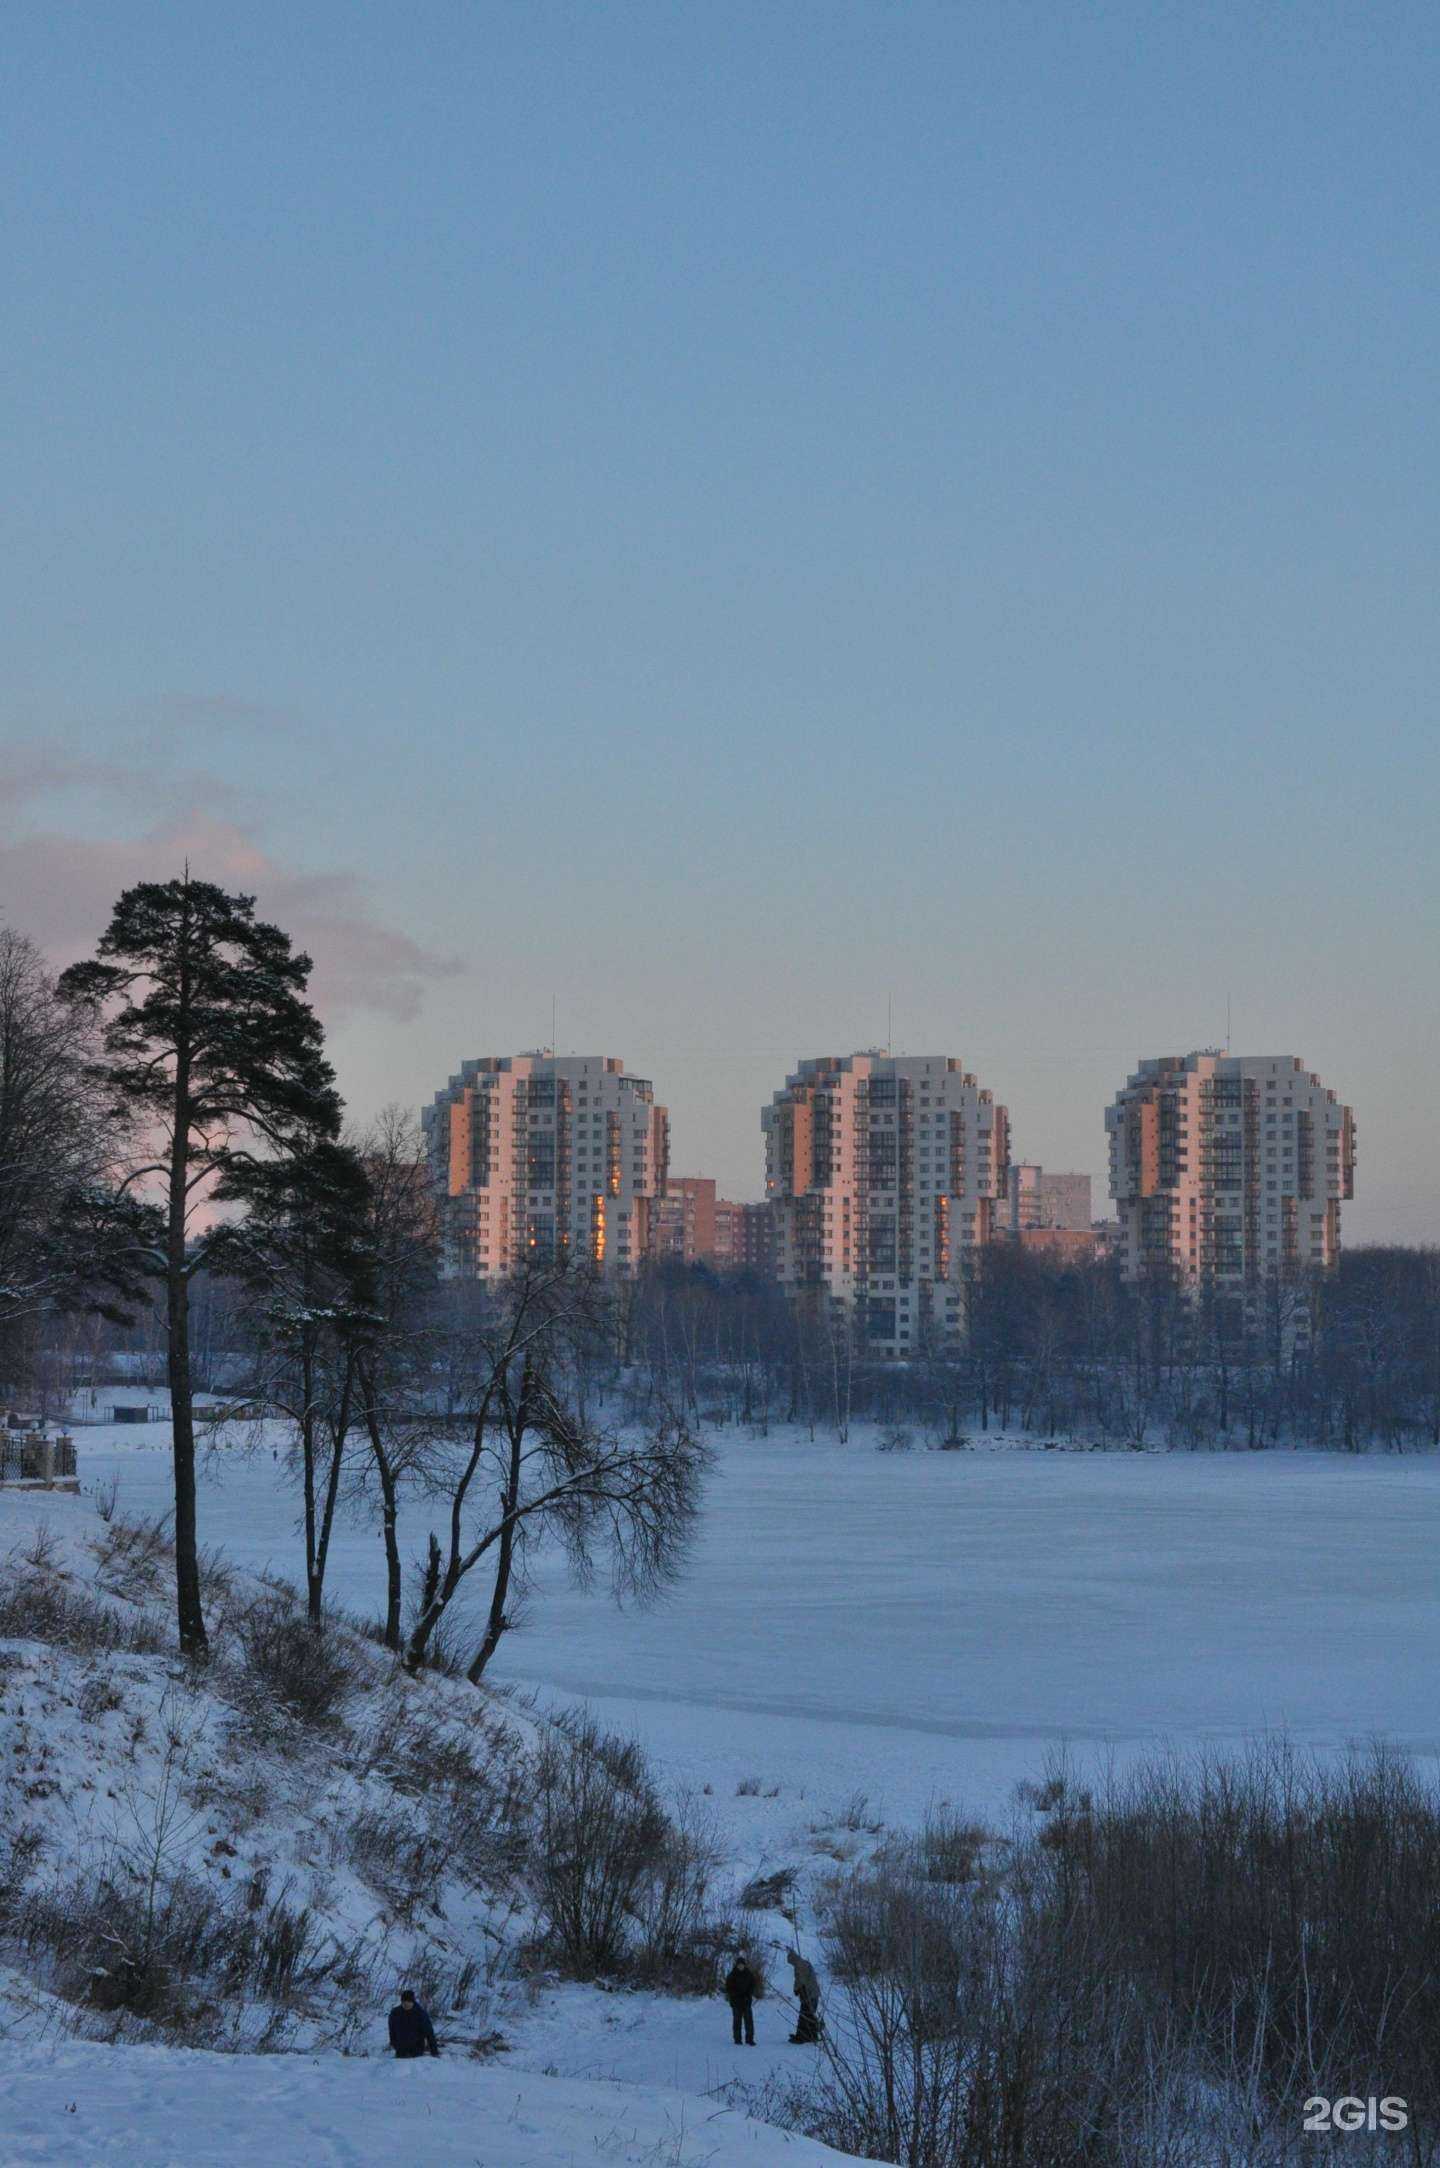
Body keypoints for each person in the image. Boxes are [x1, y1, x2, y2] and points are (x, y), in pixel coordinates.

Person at [388, 1987, 439, 2058]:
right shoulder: (395, 2013)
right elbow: (392, 2031)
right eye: (404, 2002)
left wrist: (434, 2052)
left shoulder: (421, 2014)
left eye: (408, 2002)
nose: (406, 2004)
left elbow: (429, 2033)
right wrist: (394, 2044)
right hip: (400, 2049)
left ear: (413, 2002)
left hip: (417, 2050)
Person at [724, 1952, 759, 2045]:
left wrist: (748, 1995)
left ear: (744, 1965)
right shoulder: (732, 1975)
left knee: (749, 2021)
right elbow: (728, 1988)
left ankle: (749, 2039)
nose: (741, 1967)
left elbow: (752, 1985)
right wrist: (736, 1995)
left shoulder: (749, 1974)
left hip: (746, 2001)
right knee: (737, 2021)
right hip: (736, 2002)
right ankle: (737, 2039)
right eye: (739, 1965)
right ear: (736, 1965)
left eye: (742, 1965)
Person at [787, 1950, 821, 2044]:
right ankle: (812, 2035)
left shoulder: (800, 1965)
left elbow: (801, 1980)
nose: (791, 1964)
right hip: (813, 1994)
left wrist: (797, 1989)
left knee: (804, 2016)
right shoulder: (803, 1963)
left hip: (809, 1994)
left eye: (790, 1961)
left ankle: (801, 2037)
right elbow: (799, 1979)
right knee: (809, 2015)